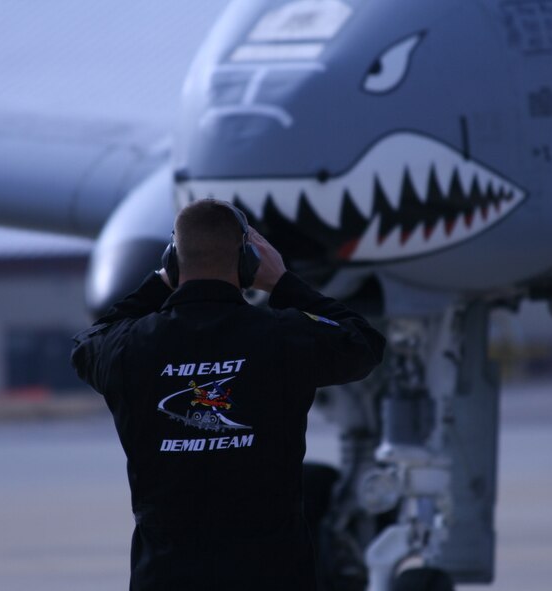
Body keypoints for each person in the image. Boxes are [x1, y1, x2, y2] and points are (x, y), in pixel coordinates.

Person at [71, 199, 385, 590]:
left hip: (165, 579)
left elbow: (86, 344)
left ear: (173, 259)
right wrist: (285, 283)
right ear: (247, 262)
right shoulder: (283, 337)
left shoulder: (129, 348)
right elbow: (364, 344)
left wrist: (159, 282)